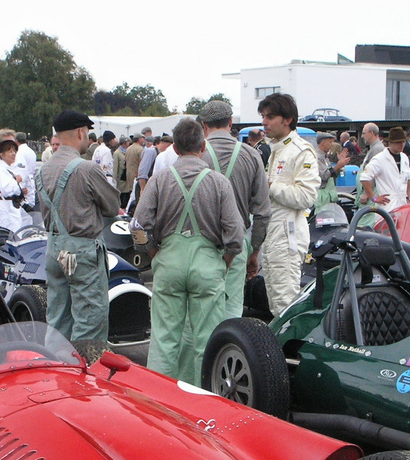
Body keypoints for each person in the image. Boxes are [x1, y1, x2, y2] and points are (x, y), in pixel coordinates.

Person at [133, 117, 245, 385]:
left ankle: (159, 401)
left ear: (175, 148)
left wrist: (152, 253)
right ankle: (202, 401)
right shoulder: (219, 183)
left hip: (168, 263)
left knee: (164, 340)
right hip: (207, 266)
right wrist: (224, 263)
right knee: (206, 341)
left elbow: (137, 225)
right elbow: (236, 237)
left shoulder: (160, 180)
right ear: (203, 146)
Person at [39, 109, 120, 345]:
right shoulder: (86, 168)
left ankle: (57, 370)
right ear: (80, 132)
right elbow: (113, 206)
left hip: (54, 249)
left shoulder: (43, 170)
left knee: (57, 320)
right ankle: (84, 374)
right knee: (90, 322)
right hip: (83, 253)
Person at [199, 99, 269, 317]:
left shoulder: (196, 154)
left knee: (200, 313)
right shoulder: (252, 155)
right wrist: (254, 251)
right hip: (237, 243)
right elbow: (262, 212)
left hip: (200, 245)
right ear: (230, 122)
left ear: (204, 125)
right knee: (231, 312)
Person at [256, 93, 319, 315]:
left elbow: (307, 197)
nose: (265, 122)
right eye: (263, 116)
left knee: (286, 303)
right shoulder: (272, 149)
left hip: (288, 236)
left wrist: (269, 186)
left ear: (287, 119)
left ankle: (289, 350)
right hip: (271, 235)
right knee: (274, 303)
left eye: (270, 117)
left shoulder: (300, 151)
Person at [359, 126, 410, 221]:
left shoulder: (404, 158)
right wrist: (373, 197)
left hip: (403, 205)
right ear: (391, 142)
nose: (401, 145)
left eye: (403, 142)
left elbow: (409, 178)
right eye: (398, 142)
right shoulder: (379, 159)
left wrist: (407, 196)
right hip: (387, 205)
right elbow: (364, 177)